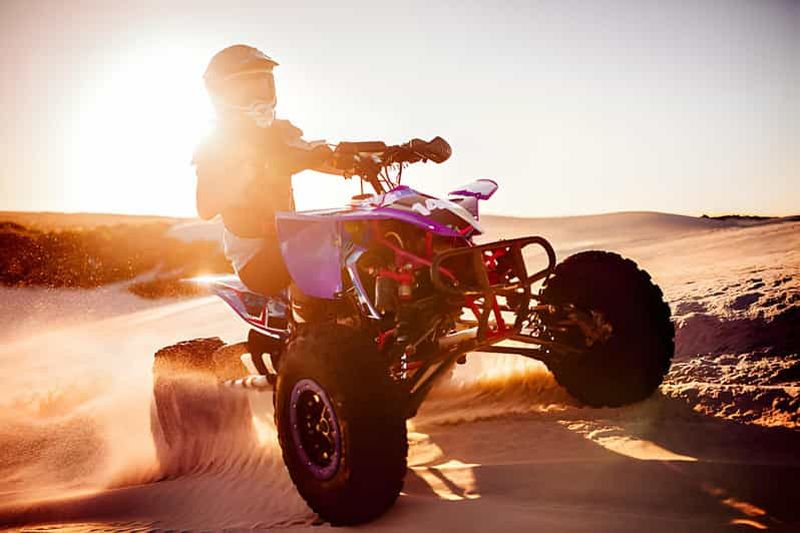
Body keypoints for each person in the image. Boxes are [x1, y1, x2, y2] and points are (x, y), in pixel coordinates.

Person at [194, 45, 341, 295]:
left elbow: (319, 157)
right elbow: (205, 207)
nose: (258, 97)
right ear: (221, 96)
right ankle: (308, 321)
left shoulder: (279, 134)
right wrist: (248, 170)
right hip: (256, 259)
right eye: (246, 90)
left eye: (263, 87)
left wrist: (385, 154)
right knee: (322, 256)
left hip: (290, 241)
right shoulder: (216, 145)